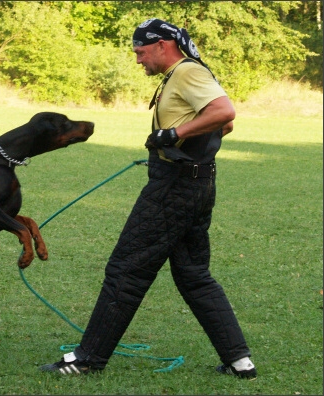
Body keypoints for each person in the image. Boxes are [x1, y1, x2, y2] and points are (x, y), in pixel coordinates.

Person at [40, 18, 256, 378]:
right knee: (193, 275)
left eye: (141, 52)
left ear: (161, 45)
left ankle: (87, 359)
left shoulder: (186, 72)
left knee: (126, 269)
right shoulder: (185, 74)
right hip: (196, 185)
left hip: (174, 187)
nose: (138, 60)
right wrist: (184, 136)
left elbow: (225, 113)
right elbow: (222, 124)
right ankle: (239, 362)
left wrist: (173, 134)